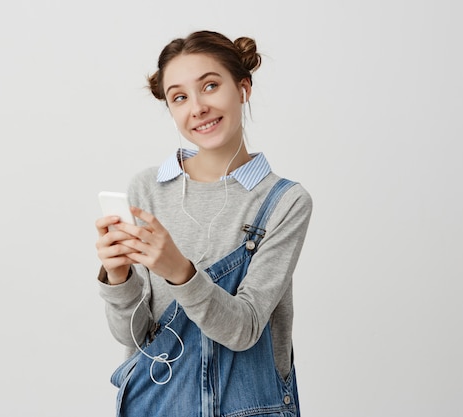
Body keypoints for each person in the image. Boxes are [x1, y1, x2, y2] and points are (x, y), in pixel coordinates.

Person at [94, 30, 312, 417]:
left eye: (210, 86)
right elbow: (135, 336)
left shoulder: (284, 201)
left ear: (242, 88)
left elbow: (243, 330)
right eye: (179, 97)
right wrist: (118, 277)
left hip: (250, 408)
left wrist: (178, 271)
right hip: (157, 405)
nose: (197, 107)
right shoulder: (148, 190)